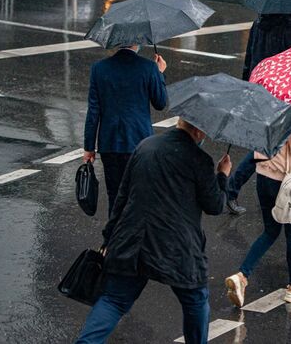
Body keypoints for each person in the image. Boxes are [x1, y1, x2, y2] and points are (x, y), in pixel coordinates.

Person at [74, 118, 232, 344]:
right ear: (198, 130)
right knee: (195, 300)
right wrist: (222, 176)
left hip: (132, 240)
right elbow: (215, 205)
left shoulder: (145, 146)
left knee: (114, 301)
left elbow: (122, 197)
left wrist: (109, 239)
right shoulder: (200, 160)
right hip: (177, 248)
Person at [225, 125, 291, 307]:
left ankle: (242, 276)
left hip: (264, 174)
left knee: (270, 231)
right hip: (286, 180)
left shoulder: (266, 105)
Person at [229, 11, 291, 215]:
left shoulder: (259, 22)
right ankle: (233, 189)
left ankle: (233, 189)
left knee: (265, 144)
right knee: (272, 147)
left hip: (261, 89)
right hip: (284, 95)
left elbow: (250, 56)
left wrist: (247, 86)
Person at [82, 44, 167, 216]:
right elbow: (160, 103)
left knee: (115, 196)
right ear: (136, 42)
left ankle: (111, 240)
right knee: (138, 196)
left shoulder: (99, 68)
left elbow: (93, 111)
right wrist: (159, 73)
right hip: (140, 143)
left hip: (110, 142)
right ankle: (133, 240)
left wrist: (89, 147)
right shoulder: (148, 67)